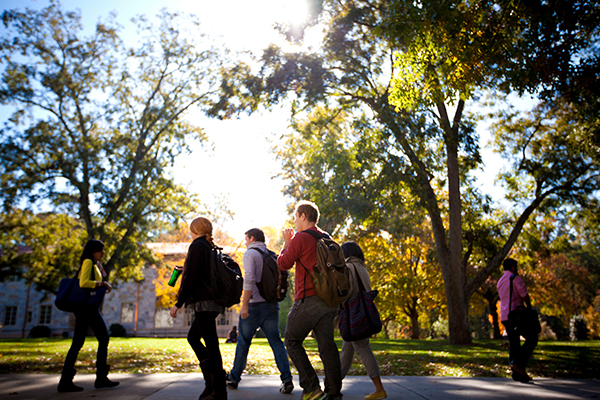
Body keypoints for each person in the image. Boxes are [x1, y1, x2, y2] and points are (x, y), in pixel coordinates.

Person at [277, 201, 343, 400]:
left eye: (296, 216)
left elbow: (283, 263)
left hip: (308, 298)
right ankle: (333, 391)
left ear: (304, 216)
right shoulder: (326, 237)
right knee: (327, 346)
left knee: (292, 340)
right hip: (329, 300)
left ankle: (311, 387)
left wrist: (286, 243)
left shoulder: (301, 238)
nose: (295, 221)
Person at [226, 228, 294, 394]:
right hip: (271, 305)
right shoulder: (271, 254)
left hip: (255, 305)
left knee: (243, 343)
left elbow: (249, 279)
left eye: (246, 239)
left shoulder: (250, 254)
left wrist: (245, 305)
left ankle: (234, 379)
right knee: (276, 343)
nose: (245, 242)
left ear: (252, 238)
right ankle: (287, 379)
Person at [170, 217, 227, 400]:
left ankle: (218, 389)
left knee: (211, 344)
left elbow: (192, 277)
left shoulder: (197, 246)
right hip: (213, 301)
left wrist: (179, 302)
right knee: (194, 337)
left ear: (194, 230)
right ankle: (211, 383)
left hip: (203, 301)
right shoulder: (210, 246)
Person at [57, 239, 119, 392]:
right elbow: (83, 282)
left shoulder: (96, 264)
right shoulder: (88, 262)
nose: (102, 253)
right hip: (84, 308)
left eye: (103, 250)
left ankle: (101, 378)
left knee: (103, 338)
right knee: (78, 342)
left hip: (91, 307)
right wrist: (102, 284)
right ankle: (65, 381)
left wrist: (101, 282)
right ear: (92, 251)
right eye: (100, 250)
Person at [339, 241, 386, 400]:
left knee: (364, 349)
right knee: (347, 351)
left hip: (354, 315)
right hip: (361, 312)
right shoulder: (361, 267)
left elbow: (348, 291)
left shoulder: (349, 267)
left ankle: (379, 389)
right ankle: (334, 385)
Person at [497, 257, 538, 383]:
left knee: (514, 343)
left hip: (504, 316)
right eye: (516, 266)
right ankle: (518, 364)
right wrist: (529, 307)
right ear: (513, 267)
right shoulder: (515, 278)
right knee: (532, 338)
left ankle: (517, 374)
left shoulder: (500, 281)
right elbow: (523, 294)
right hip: (516, 315)